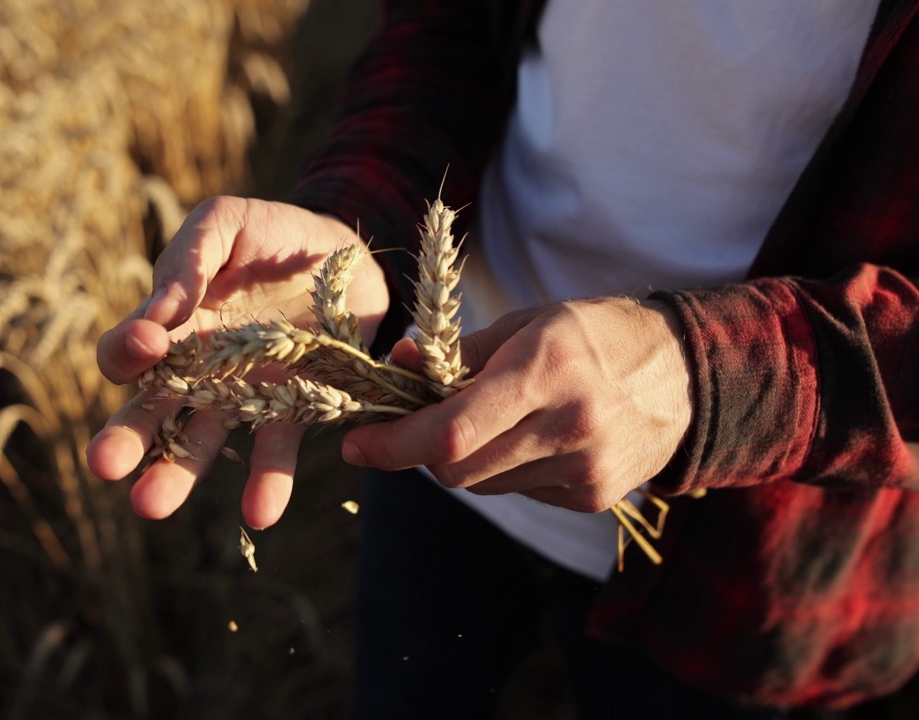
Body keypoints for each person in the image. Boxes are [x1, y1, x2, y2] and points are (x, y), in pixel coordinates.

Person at [88, 0, 919, 717]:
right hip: (436, 419)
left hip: (752, 571)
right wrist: (353, 224)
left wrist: (712, 383)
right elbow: (446, 33)